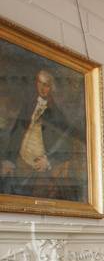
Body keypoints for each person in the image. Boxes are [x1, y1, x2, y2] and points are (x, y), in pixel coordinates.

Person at [1, 69, 80, 200]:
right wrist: (9, 159)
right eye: (40, 83)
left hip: (38, 169)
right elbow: (16, 132)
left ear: (52, 88)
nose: (42, 88)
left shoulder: (56, 113)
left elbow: (66, 144)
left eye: (47, 85)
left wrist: (49, 160)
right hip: (20, 162)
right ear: (36, 83)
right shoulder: (28, 105)